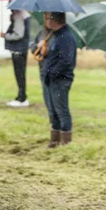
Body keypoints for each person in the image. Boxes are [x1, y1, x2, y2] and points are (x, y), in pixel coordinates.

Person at [43, 12, 77, 147]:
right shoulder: (56, 36)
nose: (45, 21)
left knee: (62, 111)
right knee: (54, 111)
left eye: (47, 18)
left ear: (54, 20)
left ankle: (65, 143)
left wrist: (52, 73)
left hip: (60, 80)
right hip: (53, 79)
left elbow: (66, 61)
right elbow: (55, 58)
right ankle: (54, 141)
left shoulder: (65, 37)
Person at [30, 13, 55, 130]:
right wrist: (37, 46)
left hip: (54, 70)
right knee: (46, 93)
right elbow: (33, 48)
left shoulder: (57, 34)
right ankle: (51, 116)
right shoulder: (41, 32)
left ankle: (56, 117)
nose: (47, 21)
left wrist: (47, 49)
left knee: (54, 94)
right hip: (42, 68)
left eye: (49, 19)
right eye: (45, 19)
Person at [2, 9, 31, 107]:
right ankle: (21, 96)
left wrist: (6, 36)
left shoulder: (18, 15)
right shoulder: (23, 14)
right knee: (21, 74)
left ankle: (22, 98)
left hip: (18, 49)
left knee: (19, 74)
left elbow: (18, 34)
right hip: (21, 48)